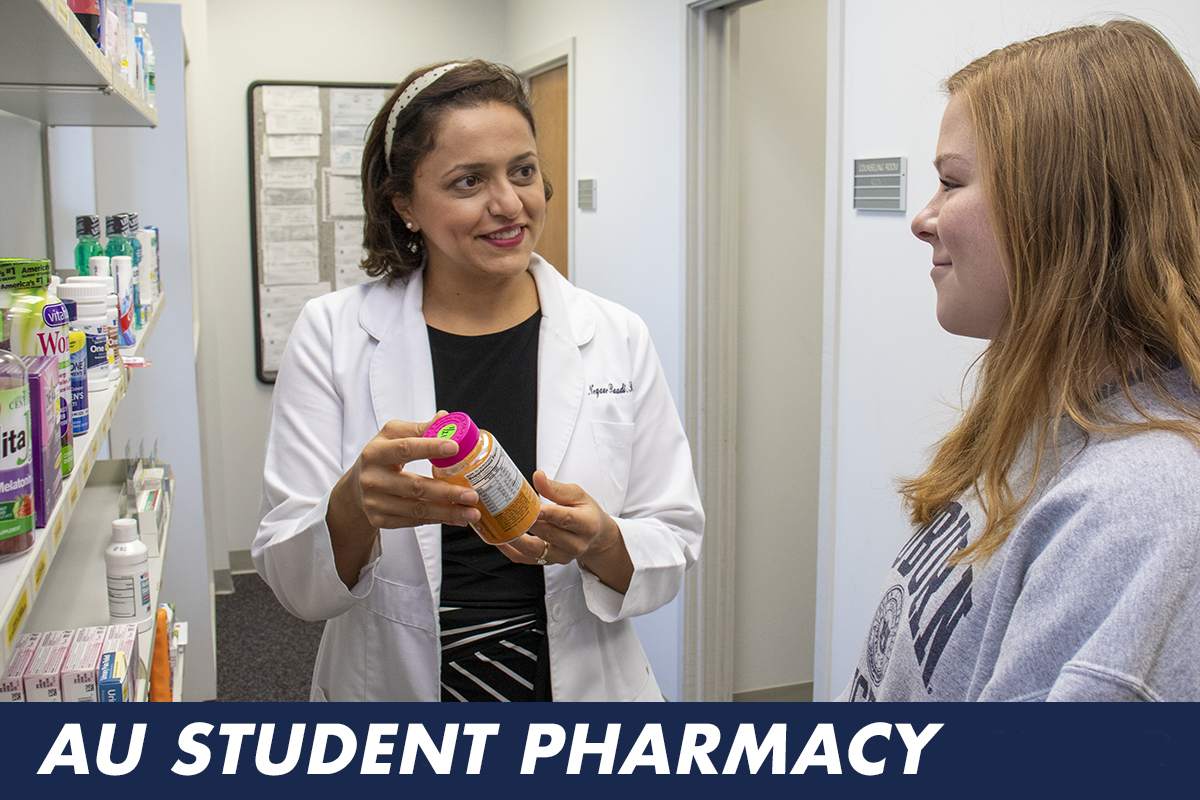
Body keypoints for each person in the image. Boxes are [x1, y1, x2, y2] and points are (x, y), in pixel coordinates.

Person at [254, 60, 703, 701]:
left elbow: (674, 536)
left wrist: (603, 539)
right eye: (468, 181)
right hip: (395, 682)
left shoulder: (615, 334)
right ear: (403, 204)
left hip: (576, 677)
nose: (509, 204)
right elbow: (291, 579)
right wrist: (355, 504)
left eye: (522, 171)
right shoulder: (334, 333)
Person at [840, 19, 1200, 702]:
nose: (923, 217)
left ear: (1062, 209)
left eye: (951, 182)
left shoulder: (1145, 507)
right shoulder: (1047, 414)